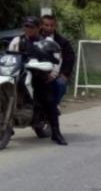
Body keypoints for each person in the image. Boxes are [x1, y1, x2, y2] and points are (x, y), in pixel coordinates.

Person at [9, 16, 68, 146]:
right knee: (6, 93)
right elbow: (10, 55)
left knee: (49, 100)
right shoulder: (17, 41)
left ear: (38, 28)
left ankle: (56, 133)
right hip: (18, 75)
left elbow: (57, 59)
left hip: (39, 76)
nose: (29, 29)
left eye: (32, 27)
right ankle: (6, 129)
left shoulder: (46, 42)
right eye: (27, 26)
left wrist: (53, 74)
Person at [39, 14, 76, 112]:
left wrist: (64, 74)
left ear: (55, 26)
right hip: (36, 72)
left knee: (61, 84)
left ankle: (52, 107)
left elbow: (70, 58)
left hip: (55, 73)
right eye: (46, 25)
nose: (49, 28)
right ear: (41, 25)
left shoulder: (62, 42)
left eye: (52, 25)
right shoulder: (34, 38)